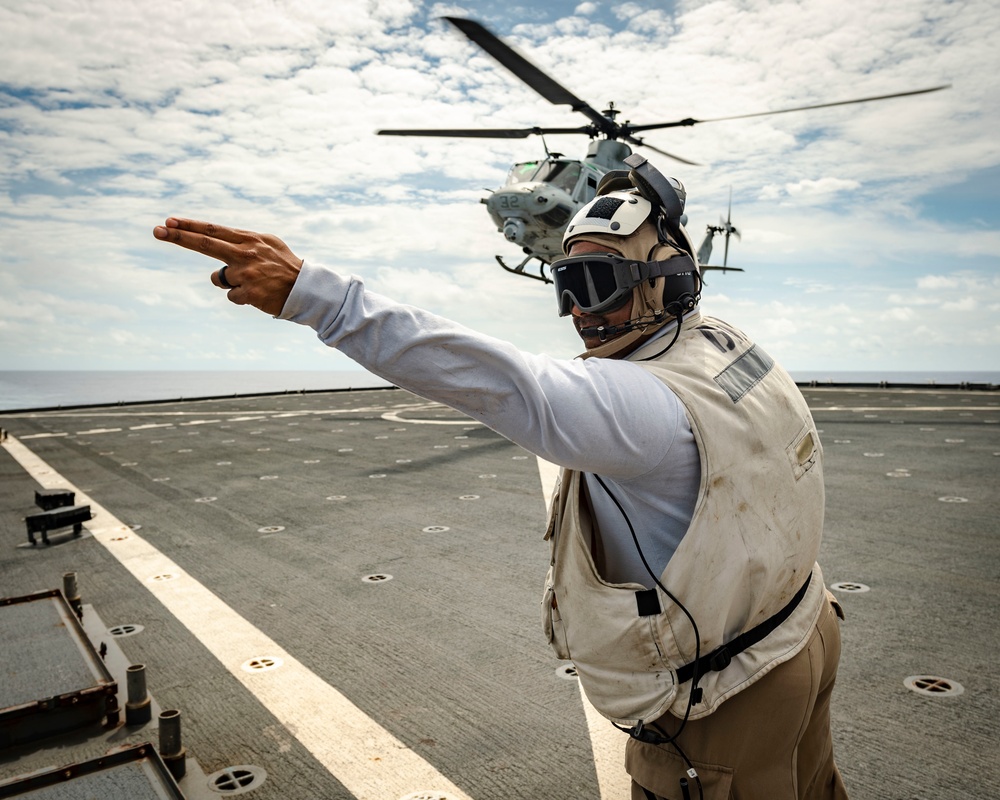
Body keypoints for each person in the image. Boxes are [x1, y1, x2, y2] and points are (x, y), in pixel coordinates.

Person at [153, 155, 847, 799]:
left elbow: (501, 381)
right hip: (802, 635)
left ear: (663, 282)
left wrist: (319, 299)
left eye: (599, 286)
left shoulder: (643, 408)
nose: (578, 309)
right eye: (566, 285)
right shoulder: (722, 343)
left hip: (728, 700)